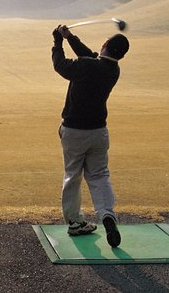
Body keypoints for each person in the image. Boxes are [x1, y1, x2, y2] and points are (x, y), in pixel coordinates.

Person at [51, 25, 129, 248]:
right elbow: (89, 57)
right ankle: (107, 215)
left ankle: (75, 222)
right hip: (98, 132)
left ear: (105, 45)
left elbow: (61, 66)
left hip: (74, 131)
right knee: (99, 175)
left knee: (73, 175)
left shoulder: (87, 65)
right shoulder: (113, 70)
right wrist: (70, 38)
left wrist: (58, 43)